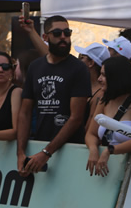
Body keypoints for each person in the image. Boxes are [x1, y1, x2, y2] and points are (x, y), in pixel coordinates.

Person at [17, 16, 90, 175]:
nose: (63, 37)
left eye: (67, 33)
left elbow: (76, 118)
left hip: (70, 149)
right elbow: (25, 112)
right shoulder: (35, 67)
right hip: (39, 146)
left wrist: (46, 152)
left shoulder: (78, 68)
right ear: (45, 37)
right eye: (57, 33)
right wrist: (20, 152)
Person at [86, 56, 131, 176]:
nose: (99, 79)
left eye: (104, 75)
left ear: (116, 77)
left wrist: (110, 150)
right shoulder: (104, 100)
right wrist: (93, 149)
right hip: (105, 168)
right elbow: (91, 133)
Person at [75, 42, 110, 128]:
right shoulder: (84, 86)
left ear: (91, 63)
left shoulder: (100, 94)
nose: (78, 61)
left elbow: (89, 128)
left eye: (81, 57)